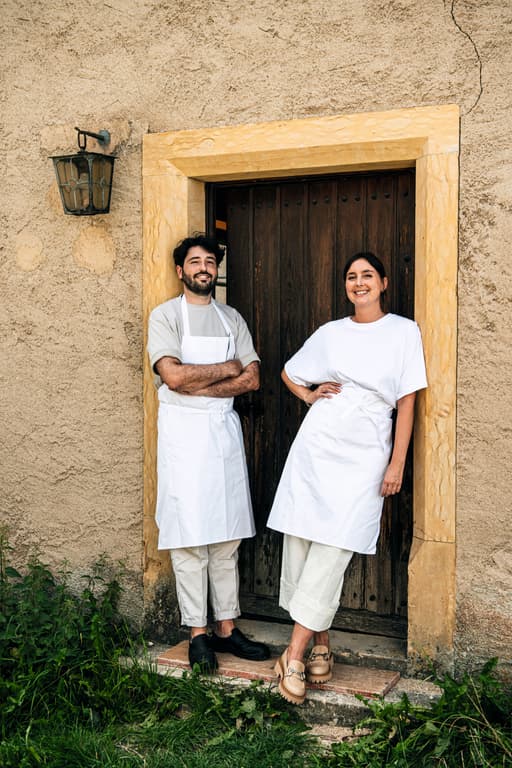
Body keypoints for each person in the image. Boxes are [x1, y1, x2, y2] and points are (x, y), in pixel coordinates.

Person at [267, 252, 427, 704]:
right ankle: (321, 644)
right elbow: (289, 372)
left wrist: (397, 463)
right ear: (346, 287)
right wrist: (310, 394)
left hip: (366, 456)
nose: (360, 283)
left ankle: (292, 654)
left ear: (384, 283)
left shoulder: (403, 331)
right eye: (352, 277)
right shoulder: (330, 333)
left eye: (368, 276)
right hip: (317, 449)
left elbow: (408, 402)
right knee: (302, 544)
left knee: (334, 548)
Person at [147, 234, 270, 671]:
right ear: (181, 271)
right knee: (189, 540)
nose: (204, 268)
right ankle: (196, 633)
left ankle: (226, 628)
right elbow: (172, 377)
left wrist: (201, 380)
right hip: (182, 440)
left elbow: (252, 378)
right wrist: (226, 369)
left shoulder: (230, 318)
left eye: (209, 262)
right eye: (195, 262)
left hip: (222, 436)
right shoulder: (164, 317)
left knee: (226, 539)